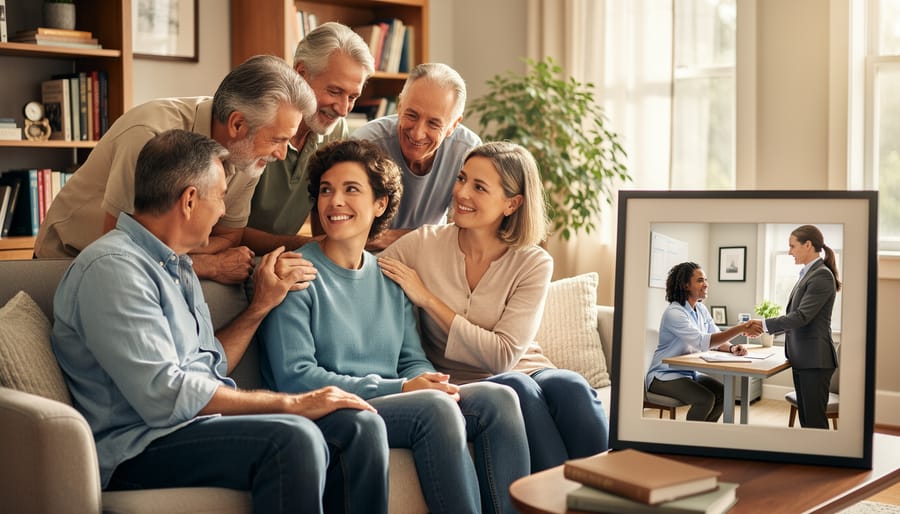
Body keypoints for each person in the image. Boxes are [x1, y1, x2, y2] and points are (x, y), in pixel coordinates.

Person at [50, 130, 389, 514]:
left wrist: (259, 306)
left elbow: (209, 364)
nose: (224, 211)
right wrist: (291, 403)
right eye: (221, 197)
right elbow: (166, 394)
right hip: (141, 445)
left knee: (358, 425)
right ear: (190, 200)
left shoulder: (176, 265)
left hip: (192, 426)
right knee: (293, 438)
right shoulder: (113, 268)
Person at [258, 139, 529, 514]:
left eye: (351, 189)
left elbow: (412, 359)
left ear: (380, 204)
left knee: (499, 398)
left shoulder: (389, 276)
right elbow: (295, 377)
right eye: (325, 190)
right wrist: (404, 387)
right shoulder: (296, 274)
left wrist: (430, 381)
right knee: (434, 409)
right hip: (335, 409)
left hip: (395, 399)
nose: (334, 201)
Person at [377, 141, 609, 473]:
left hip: (528, 368)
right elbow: (359, 276)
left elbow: (503, 357)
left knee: (572, 387)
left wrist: (428, 298)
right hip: (468, 382)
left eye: (479, 187)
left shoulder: (533, 262)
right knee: (516, 387)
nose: (462, 193)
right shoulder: (423, 243)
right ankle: (558, 502)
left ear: (512, 204)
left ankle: (607, 496)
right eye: (461, 178)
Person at [35, 55, 317, 286]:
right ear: (237, 124)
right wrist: (203, 264)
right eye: (278, 139)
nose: (282, 154)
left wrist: (178, 255)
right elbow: (118, 250)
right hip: (67, 262)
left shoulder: (247, 156)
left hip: (146, 270)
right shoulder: (150, 136)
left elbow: (230, 236)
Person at [243, 22, 375, 254]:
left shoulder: (336, 130)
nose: (344, 109)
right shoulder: (256, 123)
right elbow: (224, 231)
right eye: (334, 91)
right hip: (236, 259)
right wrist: (307, 246)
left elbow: (324, 209)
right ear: (301, 74)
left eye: (353, 96)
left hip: (286, 258)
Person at [352, 62, 482, 250]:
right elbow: (345, 232)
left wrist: (391, 237)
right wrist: (432, 235)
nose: (417, 133)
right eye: (412, 115)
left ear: (453, 125)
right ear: (399, 106)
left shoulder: (468, 152)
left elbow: (470, 231)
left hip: (433, 257)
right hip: (368, 260)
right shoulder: (364, 145)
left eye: (433, 124)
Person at [645, 262, 761, 422]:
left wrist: (732, 348)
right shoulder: (674, 313)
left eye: (705, 279)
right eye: (700, 280)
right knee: (705, 399)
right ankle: (690, 443)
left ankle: (705, 437)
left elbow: (716, 337)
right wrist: (740, 328)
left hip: (688, 373)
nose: (706, 284)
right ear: (685, 285)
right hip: (664, 376)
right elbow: (703, 342)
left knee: (723, 393)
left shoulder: (700, 309)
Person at [749, 225, 840, 429]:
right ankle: (810, 459)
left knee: (814, 421)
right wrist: (765, 327)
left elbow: (801, 316)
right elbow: (797, 318)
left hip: (815, 360)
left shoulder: (821, 275)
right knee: (807, 419)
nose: (789, 252)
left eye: (792, 246)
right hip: (804, 358)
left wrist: (763, 324)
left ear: (808, 245)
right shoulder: (808, 274)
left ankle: (821, 460)